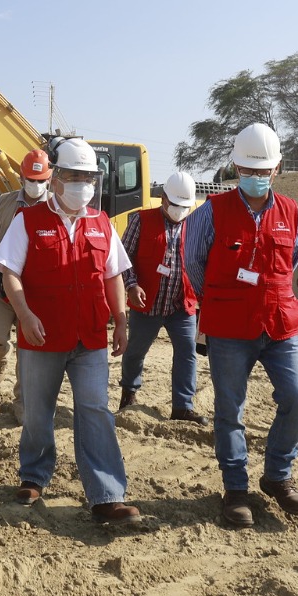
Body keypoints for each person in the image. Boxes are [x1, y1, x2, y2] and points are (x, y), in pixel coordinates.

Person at [0, 138, 140, 524]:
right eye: (74, 176)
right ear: (56, 179)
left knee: (95, 411)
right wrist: (23, 314)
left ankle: (107, 495)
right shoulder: (28, 221)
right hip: (42, 337)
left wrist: (121, 320)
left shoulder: (102, 223)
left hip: (89, 337)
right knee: (38, 413)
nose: (82, 184)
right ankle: (34, 475)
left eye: (88, 177)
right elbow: (9, 273)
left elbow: (114, 276)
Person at [183, 123, 298, 530]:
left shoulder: (291, 212)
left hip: (279, 324)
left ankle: (277, 476)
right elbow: (193, 263)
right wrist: (222, 300)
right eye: (248, 170)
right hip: (229, 330)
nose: (256, 178)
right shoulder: (210, 212)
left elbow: (291, 259)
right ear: (235, 167)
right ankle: (235, 489)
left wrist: (267, 293)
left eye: (263, 172)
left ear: (276, 171)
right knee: (230, 411)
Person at [118, 171, 204, 423]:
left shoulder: (196, 225)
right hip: (147, 303)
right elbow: (124, 258)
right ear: (164, 198)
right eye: (176, 205)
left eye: (185, 206)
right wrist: (131, 285)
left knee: (187, 351)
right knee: (135, 350)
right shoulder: (140, 220)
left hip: (181, 303)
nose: (180, 210)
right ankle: (129, 393)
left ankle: (183, 406)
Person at [0, 148, 52, 399]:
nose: (36, 185)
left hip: (37, 291)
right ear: (22, 176)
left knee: (29, 350)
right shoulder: (4, 202)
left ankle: (22, 401)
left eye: (41, 181)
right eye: (31, 180)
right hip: (0, 284)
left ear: (49, 179)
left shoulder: (55, 206)